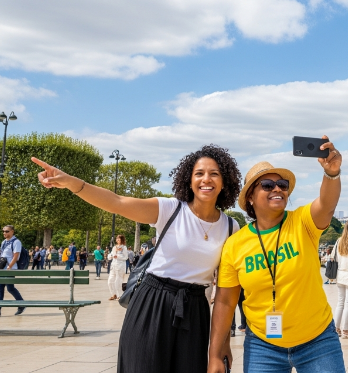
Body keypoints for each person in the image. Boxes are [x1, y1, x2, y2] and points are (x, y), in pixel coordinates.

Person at [32, 144, 243, 372]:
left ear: (225, 182)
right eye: (199, 174)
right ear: (189, 180)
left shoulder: (231, 227)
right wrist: (73, 183)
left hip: (194, 310)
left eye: (214, 174)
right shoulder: (170, 209)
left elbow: (224, 294)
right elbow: (117, 202)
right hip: (152, 302)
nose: (206, 180)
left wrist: (221, 346)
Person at [208, 137, 345, 373]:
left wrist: (332, 173)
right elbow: (225, 301)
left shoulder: (303, 221)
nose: (278, 189)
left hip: (318, 340)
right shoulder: (235, 245)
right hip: (263, 345)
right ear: (250, 196)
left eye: (282, 184)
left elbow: (327, 204)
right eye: (267, 185)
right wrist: (215, 354)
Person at [0, 225, 26, 317]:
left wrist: (9, 267)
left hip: (9, 269)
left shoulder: (16, 242)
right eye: (3, 231)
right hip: (2, 269)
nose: (4, 233)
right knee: (1, 289)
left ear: (12, 231)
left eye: (7, 231)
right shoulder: (4, 242)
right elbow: (2, 255)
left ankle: (21, 304)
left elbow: (16, 256)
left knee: (9, 288)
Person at [108, 235, 129, 300]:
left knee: (118, 281)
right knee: (110, 280)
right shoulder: (114, 247)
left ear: (122, 240)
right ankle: (113, 294)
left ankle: (120, 295)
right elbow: (110, 255)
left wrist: (118, 256)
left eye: (119, 239)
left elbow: (126, 257)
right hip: (113, 265)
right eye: (117, 239)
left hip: (120, 266)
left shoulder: (124, 248)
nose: (117, 240)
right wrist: (111, 256)